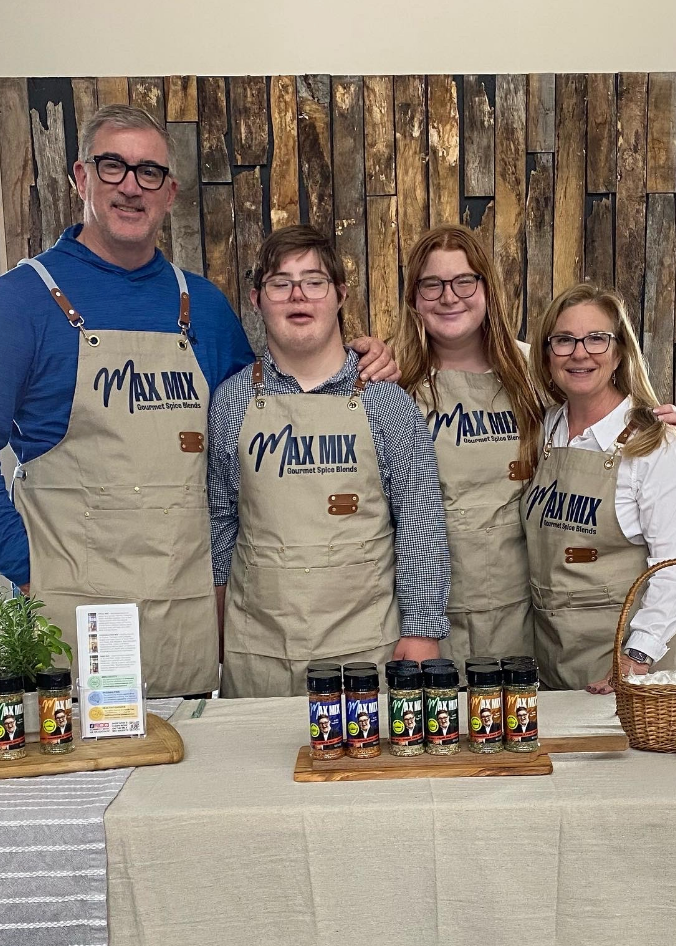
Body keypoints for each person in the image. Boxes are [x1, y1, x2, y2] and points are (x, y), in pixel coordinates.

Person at [0, 105, 397, 699]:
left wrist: (362, 361)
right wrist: (26, 566)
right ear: (81, 177)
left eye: (149, 172)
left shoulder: (204, 309)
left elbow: (280, 405)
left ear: (171, 193)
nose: (131, 186)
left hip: (186, 621)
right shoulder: (20, 301)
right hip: (70, 615)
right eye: (113, 167)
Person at [209, 225, 451, 698]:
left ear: (339, 295)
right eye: (281, 283)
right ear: (257, 299)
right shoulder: (232, 400)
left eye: (314, 281)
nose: (298, 295)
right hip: (258, 652)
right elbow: (221, 522)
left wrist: (422, 631)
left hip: (367, 652)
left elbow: (421, 521)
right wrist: (214, 629)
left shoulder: (385, 401)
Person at [391, 225, 543, 675]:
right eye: (432, 284)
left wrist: (656, 425)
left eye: (464, 281)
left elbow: (599, 421)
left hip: (523, 606)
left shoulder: (535, 371)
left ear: (486, 289)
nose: (449, 297)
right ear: (414, 298)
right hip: (426, 613)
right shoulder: (390, 381)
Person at [524, 283, 676, 692]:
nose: (580, 352)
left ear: (620, 351)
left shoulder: (654, 444)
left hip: (622, 670)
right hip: (551, 659)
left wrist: (637, 656)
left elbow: (673, 567)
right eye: (564, 340)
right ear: (546, 353)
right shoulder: (544, 430)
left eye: (596, 338)